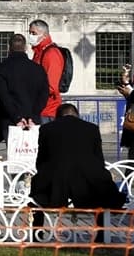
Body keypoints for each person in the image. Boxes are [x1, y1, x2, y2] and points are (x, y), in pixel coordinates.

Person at [29, 103, 127, 242]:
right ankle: (101, 234)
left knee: (36, 191)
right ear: (77, 115)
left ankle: (37, 233)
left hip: (56, 179)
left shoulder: (47, 129)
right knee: (101, 186)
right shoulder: (91, 128)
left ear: (58, 117)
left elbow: (41, 160)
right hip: (87, 179)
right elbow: (99, 160)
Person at [0, 33, 49, 129]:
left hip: (10, 119)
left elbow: (3, 96)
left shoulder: (1, 69)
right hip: (33, 119)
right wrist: (33, 115)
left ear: (9, 48)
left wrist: (17, 117)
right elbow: (44, 94)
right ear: (25, 48)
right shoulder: (38, 69)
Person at [28, 20, 65, 122]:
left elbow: (51, 86)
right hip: (39, 107)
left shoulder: (51, 54)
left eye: (34, 33)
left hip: (48, 109)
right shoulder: (39, 52)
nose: (30, 36)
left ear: (44, 35)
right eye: (30, 33)